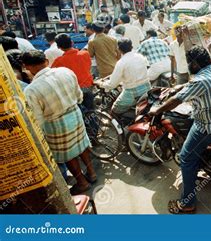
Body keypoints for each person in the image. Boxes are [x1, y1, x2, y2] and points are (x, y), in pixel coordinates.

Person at [152, 46, 211, 214]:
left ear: (195, 63)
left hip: (210, 124)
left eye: (189, 62)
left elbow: (176, 101)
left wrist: (157, 110)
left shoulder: (200, 81)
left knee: (186, 158)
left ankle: (187, 203)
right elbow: (192, 85)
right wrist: (178, 87)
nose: (188, 64)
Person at [23, 50, 96, 194]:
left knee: (67, 155)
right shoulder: (65, 72)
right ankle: (92, 173)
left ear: (27, 67)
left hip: (55, 124)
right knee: (81, 145)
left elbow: (38, 119)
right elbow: (78, 96)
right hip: (75, 113)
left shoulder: (31, 90)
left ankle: (82, 182)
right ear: (46, 61)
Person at [102, 39, 151, 117]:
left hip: (132, 93)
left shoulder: (121, 62)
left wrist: (101, 84)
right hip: (147, 88)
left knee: (114, 110)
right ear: (131, 46)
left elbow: (112, 84)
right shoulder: (140, 56)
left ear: (119, 49)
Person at [52, 34, 95, 113]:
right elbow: (88, 67)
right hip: (88, 86)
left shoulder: (59, 61)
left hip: (73, 90)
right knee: (91, 111)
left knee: (80, 112)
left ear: (59, 47)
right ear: (72, 42)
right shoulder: (85, 54)